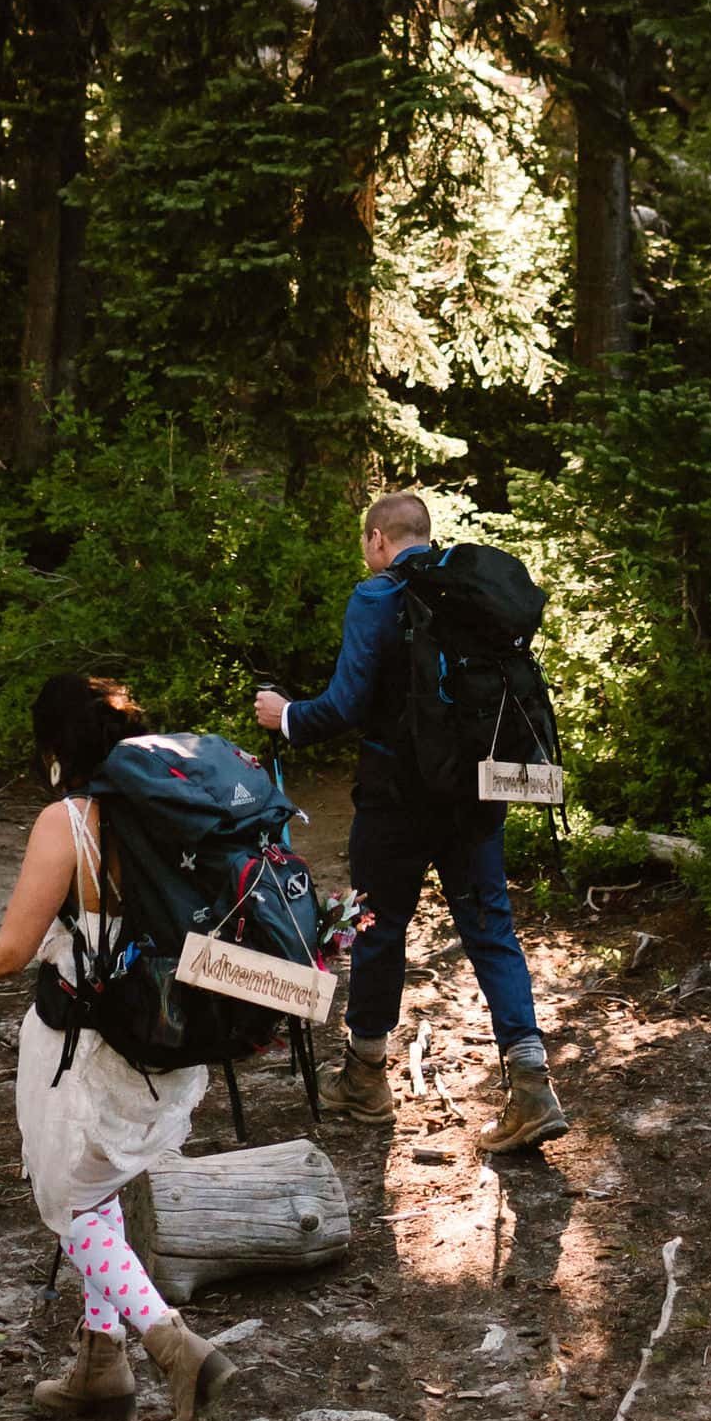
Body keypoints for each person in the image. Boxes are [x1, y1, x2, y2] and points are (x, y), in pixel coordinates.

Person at [0, 671, 235, 1421]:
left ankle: (177, 1351)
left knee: (70, 1205)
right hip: (170, 1040)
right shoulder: (171, 808)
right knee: (98, 1193)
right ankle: (101, 1365)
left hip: (88, 1048)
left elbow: (9, 954)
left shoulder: (68, 823)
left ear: (54, 749)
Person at [254, 489, 568, 1153]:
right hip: (477, 793)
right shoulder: (467, 594)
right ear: (425, 534)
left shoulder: (376, 597)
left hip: (396, 798)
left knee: (378, 928)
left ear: (377, 539)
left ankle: (367, 1076)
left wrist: (284, 715)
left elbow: (343, 705)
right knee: (490, 929)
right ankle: (532, 1081)